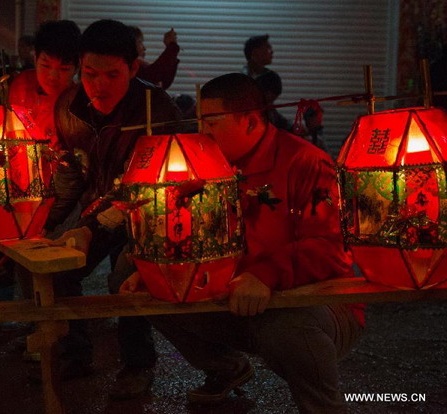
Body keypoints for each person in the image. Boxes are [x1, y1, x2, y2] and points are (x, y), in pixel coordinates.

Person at [120, 73, 364, 412]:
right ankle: (226, 368)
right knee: (139, 278)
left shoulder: (305, 162)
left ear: (250, 121)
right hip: (237, 298)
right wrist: (159, 268)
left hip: (309, 304)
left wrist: (264, 275)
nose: (202, 132)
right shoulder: (205, 163)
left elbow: (328, 247)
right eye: (200, 121)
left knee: (288, 328)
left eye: (212, 122)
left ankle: (324, 406)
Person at [45, 19, 180, 386]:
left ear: (134, 68)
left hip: (147, 212)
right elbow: (73, 174)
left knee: (124, 279)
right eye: (89, 74)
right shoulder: (69, 106)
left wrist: (90, 229)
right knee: (58, 265)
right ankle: (75, 353)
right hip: (94, 207)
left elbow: (146, 190)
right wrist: (44, 222)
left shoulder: (157, 109)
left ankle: (138, 364)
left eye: (112, 75)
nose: (98, 86)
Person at [8, 20, 80, 147]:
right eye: (45, 65)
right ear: (35, 59)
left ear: (77, 67)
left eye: (64, 69)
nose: (52, 76)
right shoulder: (22, 85)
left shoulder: (78, 103)